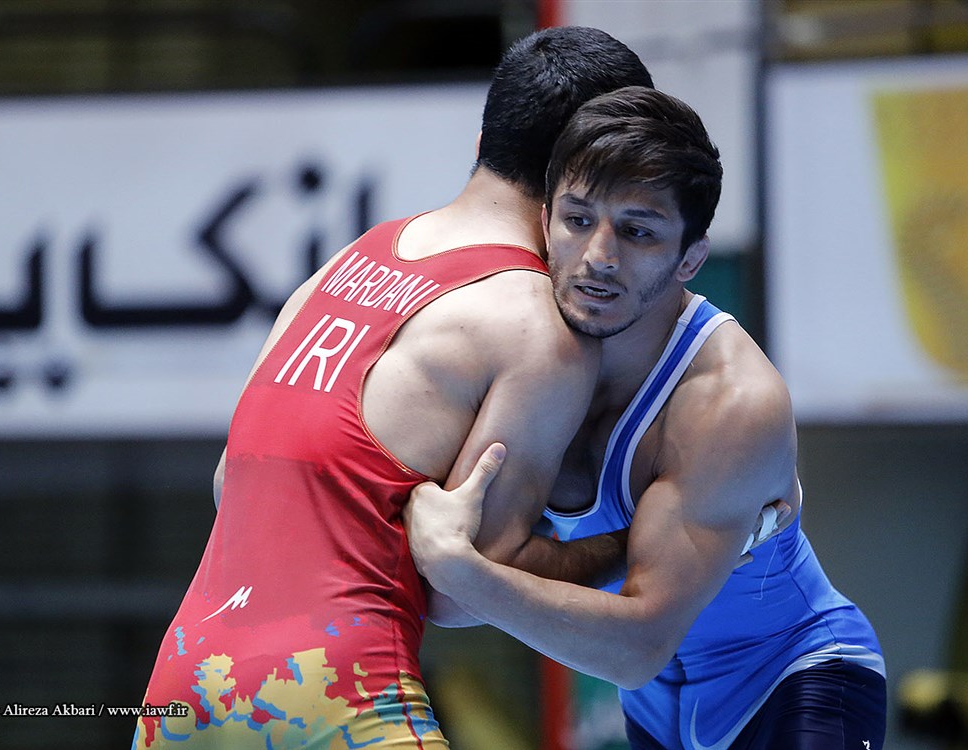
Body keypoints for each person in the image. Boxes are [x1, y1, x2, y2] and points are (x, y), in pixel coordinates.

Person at [131, 27, 658, 749]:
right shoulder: (540, 327)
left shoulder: (353, 257)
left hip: (186, 688)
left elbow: (231, 480)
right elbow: (460, 587)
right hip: (333, 691)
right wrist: (635, 543)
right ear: (600, 173)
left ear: (484, 139)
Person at [406, 86, 887, 750]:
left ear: (691, 258)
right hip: (655, 710)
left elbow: (633, 645)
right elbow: (459, 597)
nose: (599, 256)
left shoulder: (730, 401)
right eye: (579, 219)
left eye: (637, 232)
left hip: (791, 681)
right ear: (544, 220)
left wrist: (471, 574)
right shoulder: (518, 353)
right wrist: (491, 571)